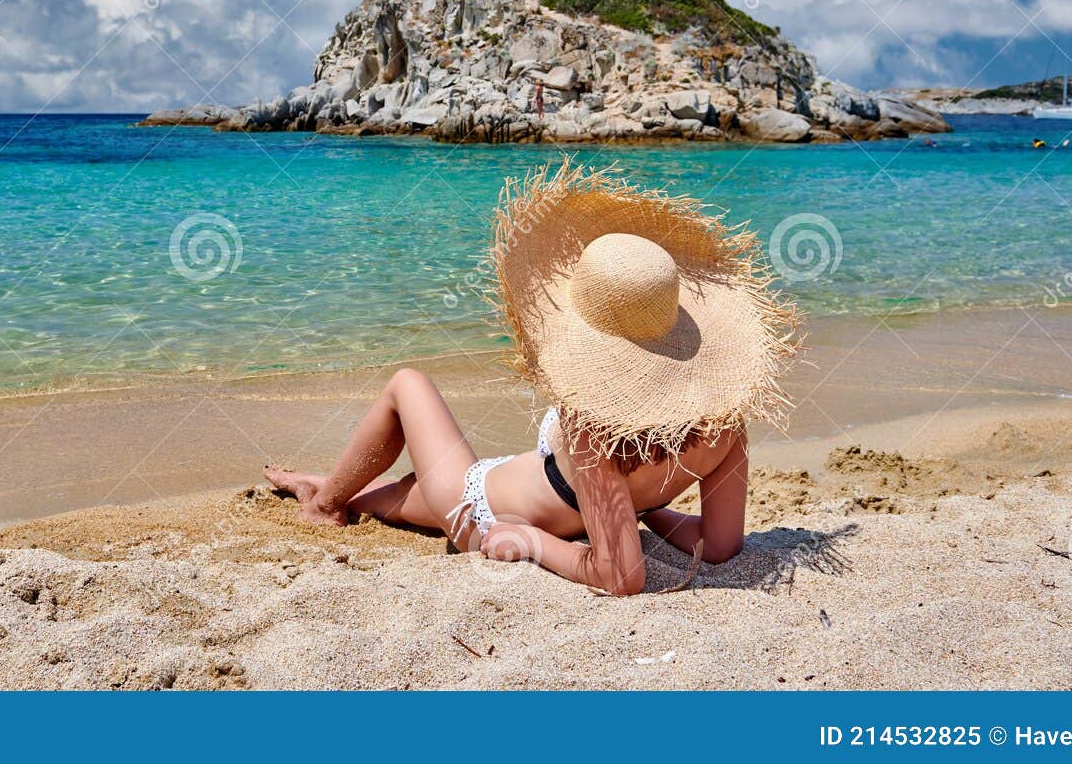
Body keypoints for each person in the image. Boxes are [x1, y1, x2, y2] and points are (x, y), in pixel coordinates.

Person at [265, 162, 802, 595]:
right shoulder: (725, 426)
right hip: (504, 486)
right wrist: (651, 509)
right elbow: (722, 544)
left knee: (407, 384)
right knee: (393, 497)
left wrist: (531, 542)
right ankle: (329, 487)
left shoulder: (599, 425)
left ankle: (323, 503)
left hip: (479, 508)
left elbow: (621, 577)